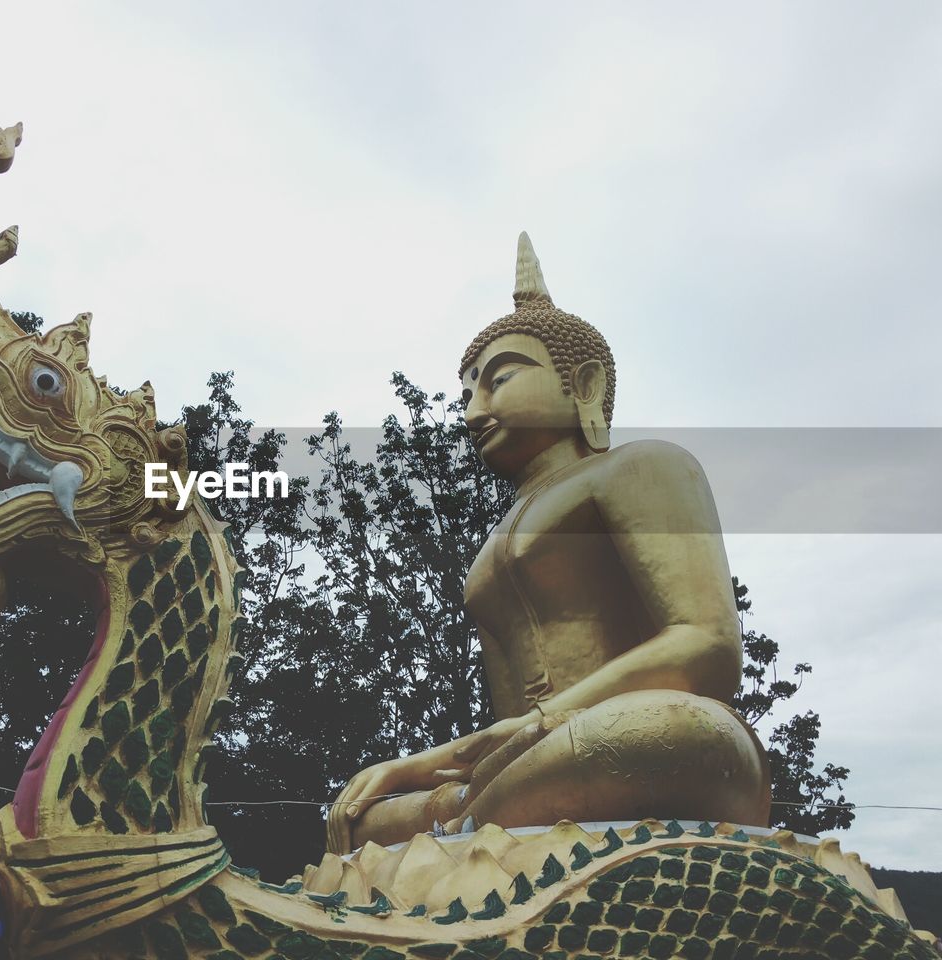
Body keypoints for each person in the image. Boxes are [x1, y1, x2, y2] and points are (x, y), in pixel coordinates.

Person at [326, 234, 770, 856]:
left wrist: (539, 725)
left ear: (582, 385)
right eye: (466, 394)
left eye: (500, 380)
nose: (474, 410)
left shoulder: (640, 468)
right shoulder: (489, 549)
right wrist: (423, 765)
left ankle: (473, 825)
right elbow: (496, 740)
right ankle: (479, 816)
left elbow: (708, 642)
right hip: (520, 768)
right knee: (362, 814)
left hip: (637, 739)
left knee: (682, 732)